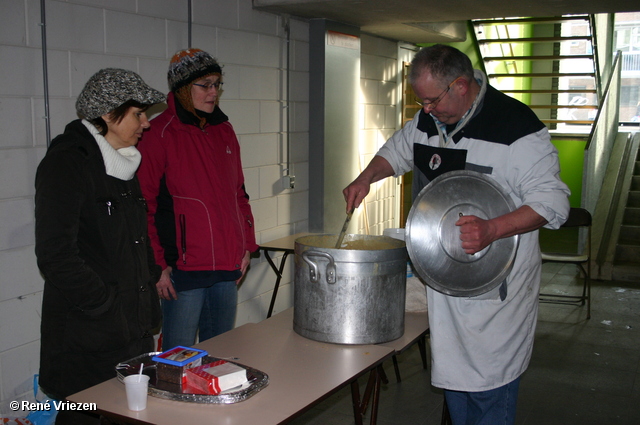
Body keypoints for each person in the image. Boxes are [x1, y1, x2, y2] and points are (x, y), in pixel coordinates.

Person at [343, 44, 571, 425]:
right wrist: (367, 177)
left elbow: (553, 203)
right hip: (446, 284)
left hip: (495, 292)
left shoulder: (515, 128)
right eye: (421, 102)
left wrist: (492, 229)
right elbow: (397, 151)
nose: (426, 110)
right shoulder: (429, 121)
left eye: (432, 100)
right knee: (457, 390)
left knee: (490, 390)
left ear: (461, 86)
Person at [35, 68, 166, 424]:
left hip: (129, 336)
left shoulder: (123, 165)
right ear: (109, 114)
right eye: (138, 114)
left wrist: (150, 278)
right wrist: (105, 305)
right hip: (87, 339)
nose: (146, 123)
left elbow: (132, 239)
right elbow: (55, 255)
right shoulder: (67, 163)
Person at [137, 48, 259, 351]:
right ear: (181, 88)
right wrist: (157, 266)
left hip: (226, 267)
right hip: (183, 270)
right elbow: (143, 206)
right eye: (204, 84)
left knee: (218, 355)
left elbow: (239, 194)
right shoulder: (159, 133)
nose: (213, 92)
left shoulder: (224, 131)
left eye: (217, 84)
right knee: (178, 359)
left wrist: (247, 245)